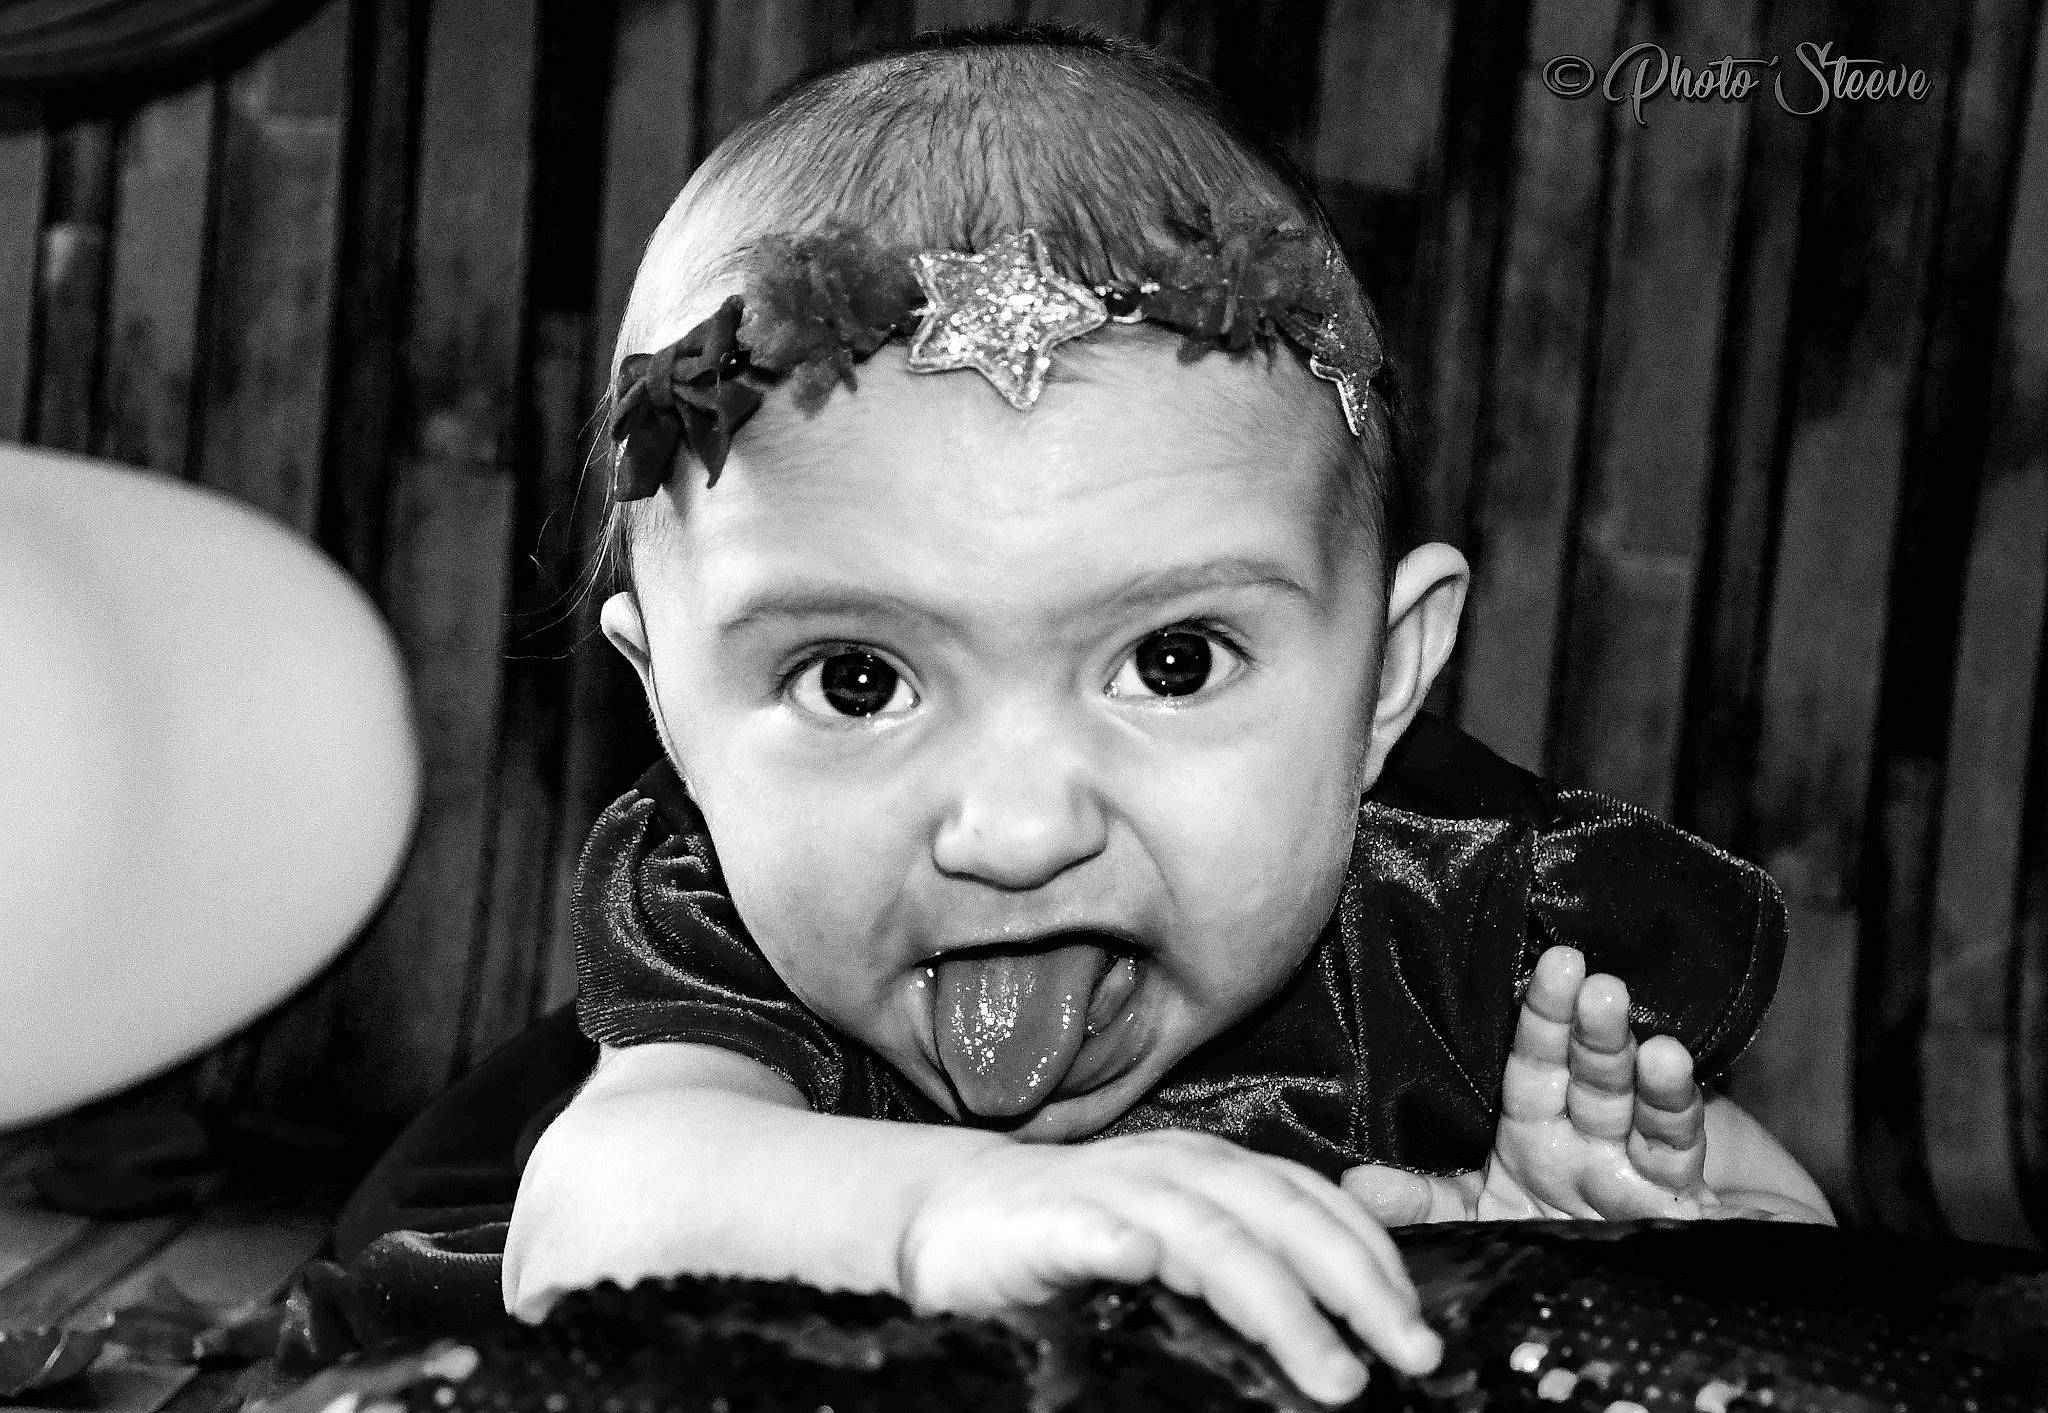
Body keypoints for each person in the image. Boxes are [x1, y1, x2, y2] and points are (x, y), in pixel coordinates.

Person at [354, 24, 1832, 1405]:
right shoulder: (730, 955)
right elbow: (593, 1213)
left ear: (1386, 678)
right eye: (857, 681)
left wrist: (1596, 1240)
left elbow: (1828, 1280)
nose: (1018, 828)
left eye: (1174, 662)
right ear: (671, 712)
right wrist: (953, 1209)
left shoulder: (1469, 918)